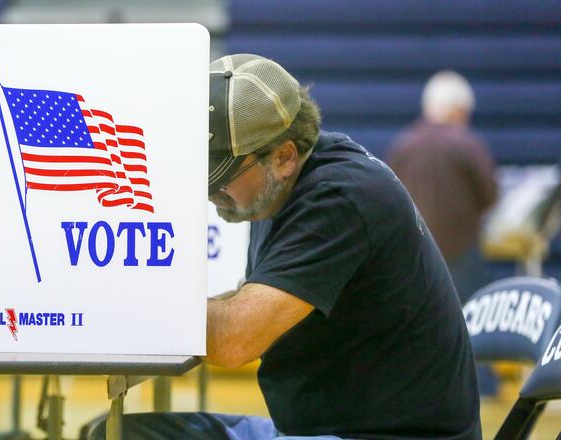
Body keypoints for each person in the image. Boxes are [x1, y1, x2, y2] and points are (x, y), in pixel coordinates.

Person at [88, 54, 481, 439]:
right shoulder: (281, 189)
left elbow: (233, 339)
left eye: (221, 176)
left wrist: (128, 302)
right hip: (321, 429)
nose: (210, 192)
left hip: (387, 434)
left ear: (284, 157)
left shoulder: (338, 200)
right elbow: (249, 302)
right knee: (112, 433)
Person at [387, 71, 498, 304]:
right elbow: (490, 195)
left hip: (415, 257)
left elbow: (388, 197)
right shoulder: (468, 144)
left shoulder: (404, 144)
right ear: (459, 109)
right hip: (462, 258)